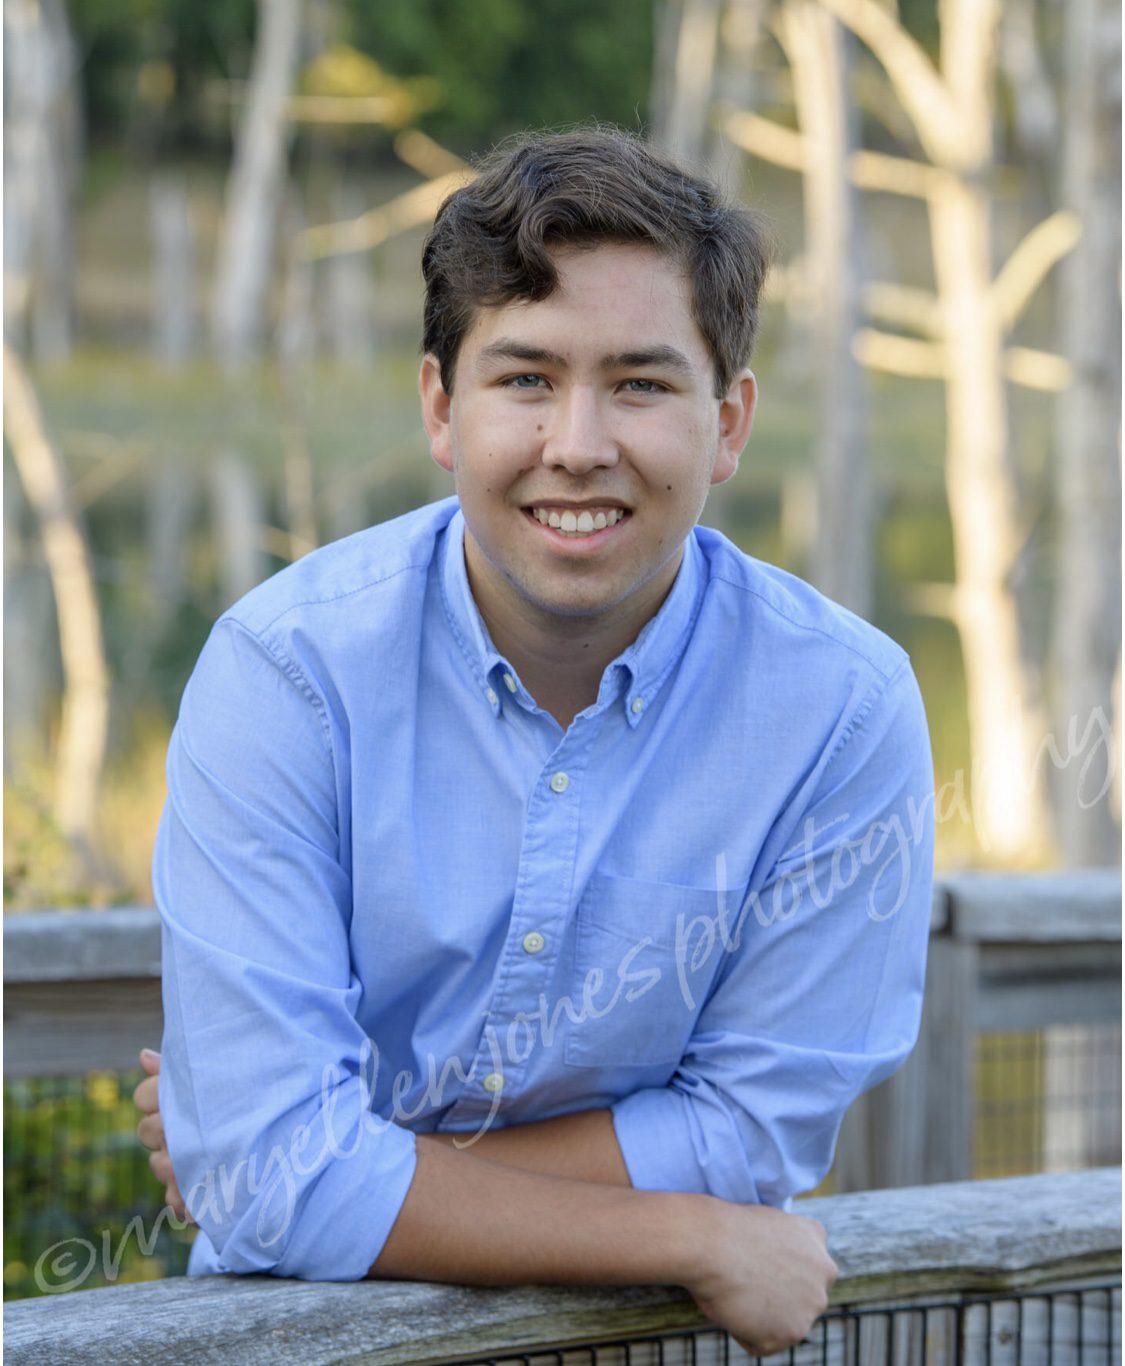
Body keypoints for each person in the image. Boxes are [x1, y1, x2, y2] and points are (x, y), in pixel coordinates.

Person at [134, 127, 934, 1356]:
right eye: (525, 379)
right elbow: (269, 1170)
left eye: (641, 384)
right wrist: (691, 1233)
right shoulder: (285, 673)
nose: (578, 444)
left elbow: (751, 1131)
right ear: (441, 408)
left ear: (728, 425)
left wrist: (337, 1170)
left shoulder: (843, 710)